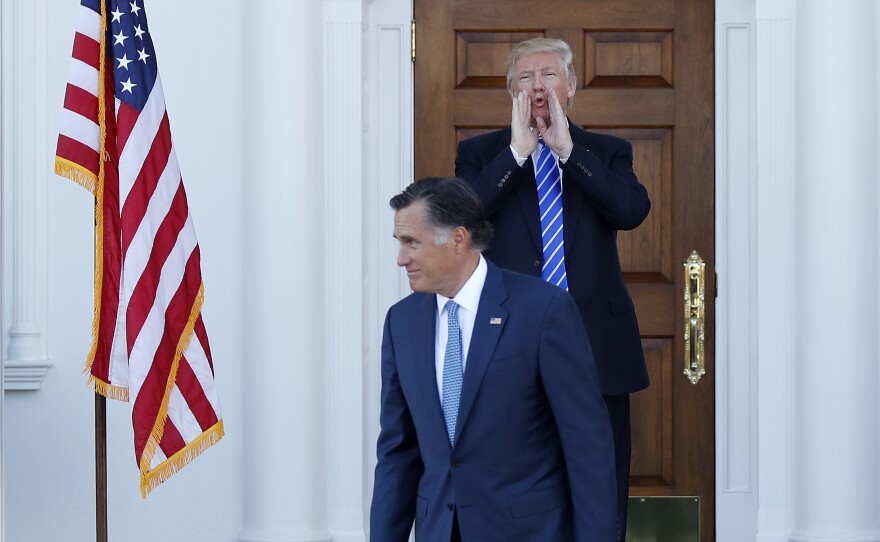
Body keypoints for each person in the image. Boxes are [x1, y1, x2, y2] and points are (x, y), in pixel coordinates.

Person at [455, 37, 651, 540]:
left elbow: (631, 211)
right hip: (507, 346)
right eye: (525, 77)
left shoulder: (606, 153)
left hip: (596, 348)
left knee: (598, 485)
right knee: (514, 482)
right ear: (511, 91)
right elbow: (460, 220)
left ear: (571, 87)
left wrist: (566, 151)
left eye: (549, 75)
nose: (538, 85)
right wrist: (518, 154)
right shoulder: (479, 155)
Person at [370, 177, 616, 541]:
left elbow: (587, 447)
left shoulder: (543, 310)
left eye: (412, 243)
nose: (401, 258)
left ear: (458, 239)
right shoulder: (401, 322)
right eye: (400, 243)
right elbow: (397, 453)